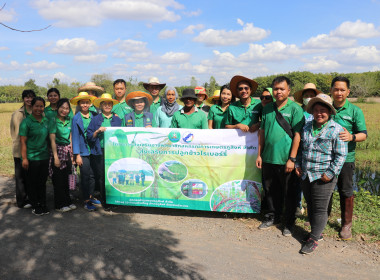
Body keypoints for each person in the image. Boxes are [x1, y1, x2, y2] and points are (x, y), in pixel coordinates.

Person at [295, 94, 347, 254]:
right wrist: (297, 164)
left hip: (323, 176)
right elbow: (301, 149)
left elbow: (341, 155)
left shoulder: (336, 130)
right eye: (316, 110)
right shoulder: (306, 126)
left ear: (330, 112)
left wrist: (330, 173)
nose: (319, 113)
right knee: (310, 204)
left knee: (320, 208)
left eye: (323, 110)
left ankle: (314, 239)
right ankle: (315, 233)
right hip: (306, 173)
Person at [256, 76, 304, 236]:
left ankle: (289, 223)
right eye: (275, 89)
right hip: (268, 157)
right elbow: (262, 133)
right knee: (270, 190)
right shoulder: (267, 108)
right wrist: (259, 155)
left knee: (290, 192)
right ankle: (272, 216)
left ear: (288, 90)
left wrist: (292, 159)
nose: (278, 92)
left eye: (282, 89)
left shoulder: (295, 109)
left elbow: (297, 135)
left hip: (286, 160)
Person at [330, 76, 367, 240]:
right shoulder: (324, 108)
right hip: (326, 158)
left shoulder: (355, 111)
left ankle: (346, 224)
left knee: (345, 191)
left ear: (348, 92)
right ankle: (321, 218)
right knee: (325, 189)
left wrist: (351, 137)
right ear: (331, 90)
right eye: (336, 89)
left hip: (346, 159)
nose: (339, 92)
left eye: (342, 90)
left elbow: (363, 135)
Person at [87, 93, 122, 211]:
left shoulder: (117, 120)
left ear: (112, 105)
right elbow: (90, 137)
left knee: (114, 174)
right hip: (100, 151)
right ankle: (105, 201)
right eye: (105, 104)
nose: (107, 106)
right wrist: (97, 131)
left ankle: (114, 198)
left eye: (109, 104)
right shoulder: (96, 119)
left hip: (113, 151)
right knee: (102, 176)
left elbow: (122, 136)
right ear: (101, 106)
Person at [293, 83, 322, 216]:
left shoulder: (320, 111)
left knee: (313, 181)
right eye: (306, 96)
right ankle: (298, 205)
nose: (309, 98)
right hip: (299, 150)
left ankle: (314, 210)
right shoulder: (298, 111)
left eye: (312, 96)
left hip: (316, 152)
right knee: (298, 179)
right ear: (302, 98)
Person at [19, 97, 50, 216]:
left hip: (44, 157)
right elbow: (23, 142)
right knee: (32, 182)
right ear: (32, 107)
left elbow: (48, 139)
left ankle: (43, 203)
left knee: (42, 182)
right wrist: (25, 158)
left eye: (41, 106)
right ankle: (35, 205)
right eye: (36, 106)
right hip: (31, 158)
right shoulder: (26, 122)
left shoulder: (46, 121)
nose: (39, 108)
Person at [70, 92, 100, 211]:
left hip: (93, 150)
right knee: (85, 175)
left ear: (90, 103)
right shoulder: (76, 118)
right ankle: (86, 200)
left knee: (93, 175)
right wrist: (76, 155)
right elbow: (75, 137)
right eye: (82, 102)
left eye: (87, 102)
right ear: (79, 104)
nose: (85, 104)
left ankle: (91, 196)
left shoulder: (94, 115)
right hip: (83, 151)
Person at [48, 98, 76, 212]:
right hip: (57, 151)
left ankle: (67, 201)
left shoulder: (69, 120)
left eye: (67, 108)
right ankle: (59, 205)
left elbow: (70, 137)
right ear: (57, 108)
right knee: (58, 179)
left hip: (67, 151)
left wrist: (73, 154)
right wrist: (55, 157)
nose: (64, 110)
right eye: (62, 108)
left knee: (67, 177)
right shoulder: (53, 121)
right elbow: (52, 140)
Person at [10, 89, 36, 208]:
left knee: (31, 175)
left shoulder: (39, 112)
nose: (29, 100)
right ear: (23, 99)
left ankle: (31, 198)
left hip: (34, 150)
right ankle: (21, 200)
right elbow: (14, 132)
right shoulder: (17, 114)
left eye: (31, 97)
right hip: (20, 149)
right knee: (20, 176)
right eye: (27, 97)